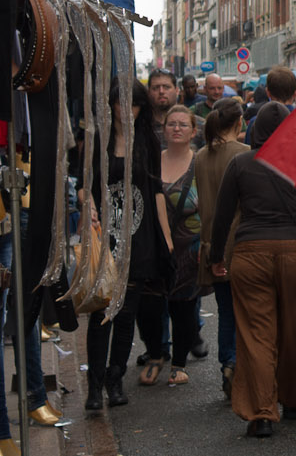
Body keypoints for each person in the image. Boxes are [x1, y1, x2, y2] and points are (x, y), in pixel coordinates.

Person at [207, 105, 296, 437]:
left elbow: (222, 216)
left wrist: (216, 256)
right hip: (294, 254)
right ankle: (293, 400)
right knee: (294, 329)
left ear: (256, 130)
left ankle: (261, 413)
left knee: (257, 334)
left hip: (250, 253)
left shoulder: (240, 164)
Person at [85, 81, 171, 412]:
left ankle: (115, 378)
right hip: (104, 238)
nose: (126, 110)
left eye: (133, 104)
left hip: (140, 237)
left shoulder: (148, 141)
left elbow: (156, 191)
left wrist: (165, 238)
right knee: (101, 312)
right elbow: (84, 184)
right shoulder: (97, 141)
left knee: (126, 315)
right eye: (119, 103)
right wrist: (88, 205)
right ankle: (94, 385)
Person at [139, 105, 204, 387]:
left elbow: (211, 204)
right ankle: (155, 355)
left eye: (182, 124)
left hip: (189, 247)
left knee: (184, 307)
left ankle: (178, 363)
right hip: (152, 245)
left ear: (193, 131)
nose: (176, 128)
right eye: (171, 124)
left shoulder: (200, 163)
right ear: (163, 129)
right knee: (149, 306)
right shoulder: (151, 161)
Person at [194, 99, 250, 398]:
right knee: (246, 311)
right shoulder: (244, 154)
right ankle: (238, 365)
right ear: (239, 122)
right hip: (240, 243)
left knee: (226, 310)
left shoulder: (201, 156)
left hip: (211, 244)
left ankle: (228, 362)